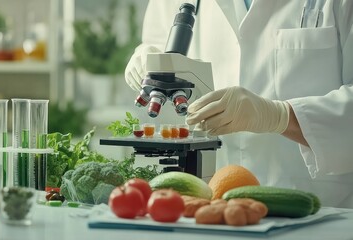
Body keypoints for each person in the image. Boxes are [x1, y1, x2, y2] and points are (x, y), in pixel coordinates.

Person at [124, 0, 353, 208]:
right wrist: (146, 56)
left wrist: (281, 116)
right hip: (213, 206)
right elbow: (157, 44)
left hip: (320, 211)